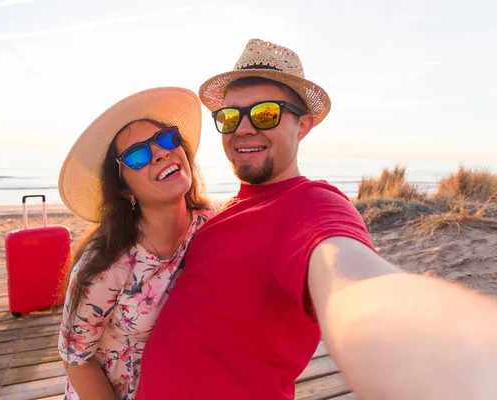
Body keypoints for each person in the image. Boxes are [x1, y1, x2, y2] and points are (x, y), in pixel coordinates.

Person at [135, 39, 497, 399]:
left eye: (265, 114)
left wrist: (458, 361)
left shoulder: (308, 206)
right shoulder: (225, 211)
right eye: (230, 117)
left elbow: (355, 285)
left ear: (303, 125)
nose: (242, 128)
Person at [57, 87, 214, 400]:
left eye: (167, 138)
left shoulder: (209, 225)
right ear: (124, 191)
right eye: (138, 155)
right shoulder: (106, 263)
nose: (159, 152)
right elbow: (76, 360)